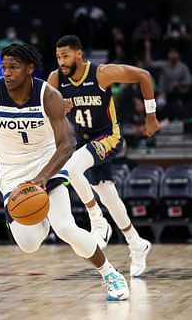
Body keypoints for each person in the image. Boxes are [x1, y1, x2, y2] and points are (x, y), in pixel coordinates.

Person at [0, 43, 129, 301]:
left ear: (30, 69)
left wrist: (43, 178)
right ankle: (39, 218)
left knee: (66, 228)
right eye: (4, 68)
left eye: (14, 68)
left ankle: (110, 273)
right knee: (29, 244)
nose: (7, 73)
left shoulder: (48, 96)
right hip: (12, 174)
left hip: (47, 165)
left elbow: (68, 144)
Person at [47, 35, 160, 277]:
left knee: (71, 168)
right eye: (58, 57)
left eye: (65, 56)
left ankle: (97, 220)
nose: (61, 61)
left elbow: (144, 75)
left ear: (79, 54)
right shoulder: (56, 79)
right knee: (108, 194)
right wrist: (58, 109)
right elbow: (47, 111)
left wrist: (151, 116)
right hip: (84, 140)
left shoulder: (101, 74)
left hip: (109, 136)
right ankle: (137, 244)